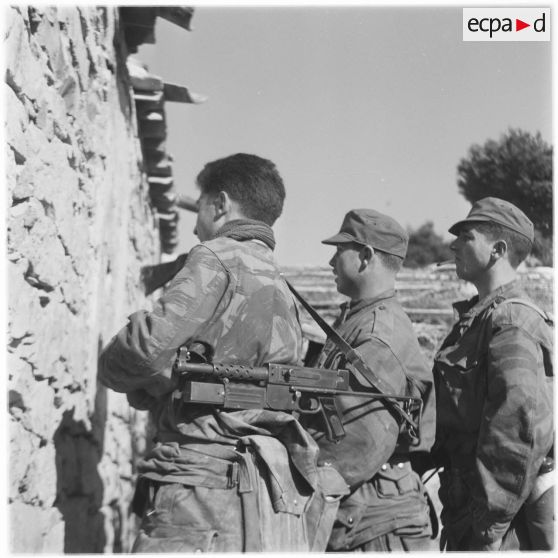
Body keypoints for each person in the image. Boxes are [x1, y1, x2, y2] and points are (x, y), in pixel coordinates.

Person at [99, 153, 347, 553]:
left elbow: (144, 352)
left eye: (199, 207)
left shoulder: (215, 257)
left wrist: (112, 364)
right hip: (258, 491)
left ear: (220, 204)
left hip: (197, 488)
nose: (194, 227)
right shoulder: (281, 284)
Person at [301, 209, 437, 552]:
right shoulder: (360, 320)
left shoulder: (378, 334)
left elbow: (355, 444)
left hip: (375, 524)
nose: (331, 261)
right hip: (364, 512)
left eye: (339, 250)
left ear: (365, 256)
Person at [432, 197, 554, 551]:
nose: (454, 245)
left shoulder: (511, 322)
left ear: (497, 250)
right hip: (469, 515)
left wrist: (489, 529)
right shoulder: (480, 319)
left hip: (497, 528)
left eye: (467, 237)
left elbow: (516, 428)